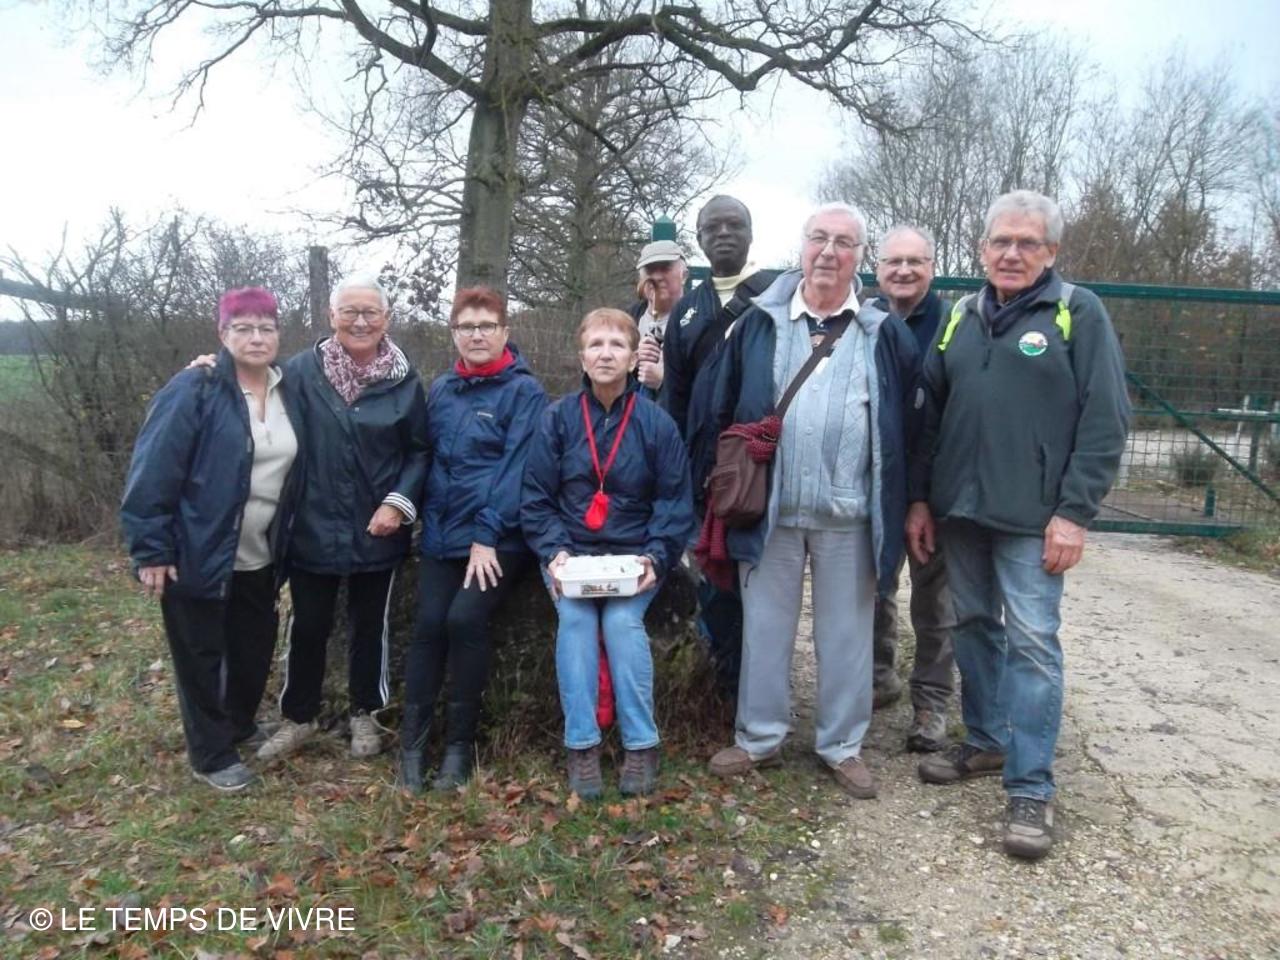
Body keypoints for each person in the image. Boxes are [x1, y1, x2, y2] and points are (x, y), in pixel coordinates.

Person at [907, 189, 1130, 859]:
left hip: (1036, 521)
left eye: (1027, 243)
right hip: (962, 514)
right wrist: (922, 500)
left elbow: (1106, 417)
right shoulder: (960, 317)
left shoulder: (1076, 313)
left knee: (1033, 645)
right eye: (1001, 241)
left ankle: (1031, 786)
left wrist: (1074, 513)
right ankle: (985, 740)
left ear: (1051, 252)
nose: (1011, 253)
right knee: (973, 627)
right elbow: (929, 416)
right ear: (982, 250)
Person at [706, 203, 918, 800]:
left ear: (860, 258)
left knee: (847, 636)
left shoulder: (884, 332)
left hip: (850, 513)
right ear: (801, 247)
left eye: (844, 242)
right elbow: (721, 406)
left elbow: (906, 426)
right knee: (764, 630)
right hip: (769, 510)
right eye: (819, 239)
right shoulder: (757, 323)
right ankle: (759, 738)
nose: (829, 252)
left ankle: (841, 745)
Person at [121, 287, 304, 791]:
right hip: (198, 550)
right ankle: (211, 754)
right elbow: (153, 470)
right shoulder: (194, 389)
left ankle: (238, 724)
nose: (256, 337)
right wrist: (151, 549)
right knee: (200, 655)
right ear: (222, 334)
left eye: (266, 328)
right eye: (243, 328)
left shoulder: (290, 390)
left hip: (261, 552)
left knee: (252, 649)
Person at [254, 274, 429, 762]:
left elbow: (419, 451)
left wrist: (398, 503)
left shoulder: (404, 381)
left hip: (378, 526)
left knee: (371, 626)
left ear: (386, 319)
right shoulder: (297, 373)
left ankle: (365, 713)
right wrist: (207, 370)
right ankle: (299, 716)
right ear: (331, 316)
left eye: (370, 312)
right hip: (312, 523)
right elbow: (248, 391)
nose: (360, 321)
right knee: (308, 624)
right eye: (349, 311)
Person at [522, 308, 694, 799]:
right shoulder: (557, 419)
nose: (605, 354)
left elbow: (674, 502)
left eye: (617, 345)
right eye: (595, 345)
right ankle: (582, 745)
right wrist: (554, 553)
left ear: (633, 357)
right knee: (576, 620)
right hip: (571, 555)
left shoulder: (657, 424)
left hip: (634, 557)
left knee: (621, 623)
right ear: (581, 357)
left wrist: (655, 558)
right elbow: (536, 499)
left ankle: (641, 745)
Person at [398, 287, 548, 793]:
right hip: (443, 534)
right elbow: (427, 458)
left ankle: (460, 748)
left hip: (499, 537)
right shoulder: (442, 389)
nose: (477, 335)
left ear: (505, 333)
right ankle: (413, 748)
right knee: (428, 626)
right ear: (454, 334)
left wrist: (487, 534)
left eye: (487, 326)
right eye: (467, 327)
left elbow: (518, 470)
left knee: (464, 618)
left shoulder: (524, 393)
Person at [661, 194, 779, 702]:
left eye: (734, 225)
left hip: (761, 465)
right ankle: (725, 692)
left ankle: (764, 692)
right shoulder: (687, 311)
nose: (724, 234)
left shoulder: (775, 297)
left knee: (764, 582)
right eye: (713, 227)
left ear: (751, 233)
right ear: (700, 238)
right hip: (705, 472)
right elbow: (674, 398)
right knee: (715, 579)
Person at [868, 225, 956, 752]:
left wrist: (925, 492)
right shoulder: (862, 319)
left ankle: (931, 703)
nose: (903, 270)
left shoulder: (954, 324)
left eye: (915, 261)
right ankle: (878, 677)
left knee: (934, 598)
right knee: (872, 587)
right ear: (877, 268)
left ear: (932, 268)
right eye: (893, 261)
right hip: (874, 482)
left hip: (934, 483)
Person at [628, 239, 687, 397]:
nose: (657, 277)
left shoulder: (700, 321)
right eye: (650, 270)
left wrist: (664, 382)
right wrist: (631, 360)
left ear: (684, 275)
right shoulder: (626, 320)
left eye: (665, 269)